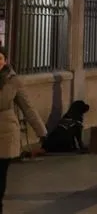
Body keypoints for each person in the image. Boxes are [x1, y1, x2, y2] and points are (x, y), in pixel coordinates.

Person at [0, 46, 47, 213]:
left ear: (5, 60)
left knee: (1, 175)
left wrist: (42, 132)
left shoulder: (13, 81)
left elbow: (28, 108)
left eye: (0, 58)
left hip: (5, 134)